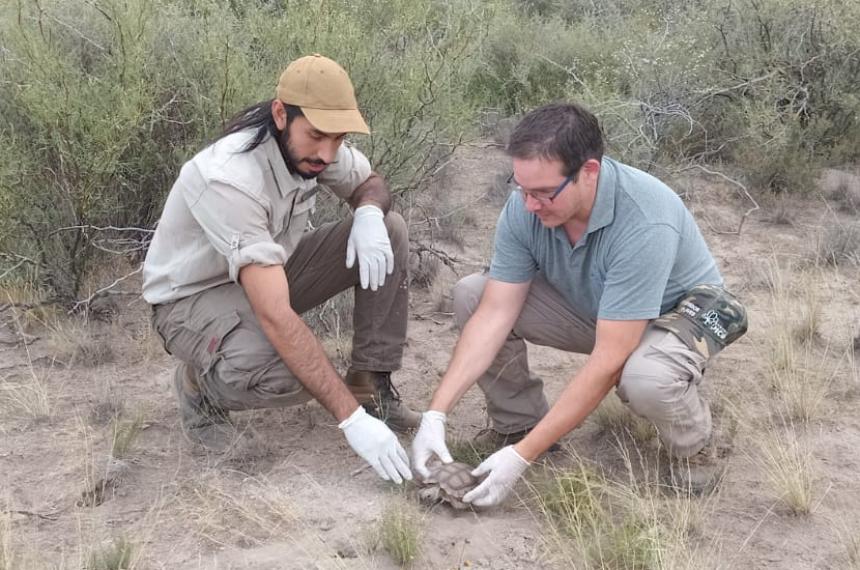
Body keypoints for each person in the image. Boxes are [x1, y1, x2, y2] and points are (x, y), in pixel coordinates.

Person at [411, 102, 748, 506]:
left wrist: (523, 459)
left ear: (589, 171)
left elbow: (609, 359)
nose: (529, 205)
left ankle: (695, 445)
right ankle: (520, 424)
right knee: (472, 293)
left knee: (646, 378)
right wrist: (436, 415)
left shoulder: (644, 219)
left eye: (542, 193)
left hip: (680, 314)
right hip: (604, 308)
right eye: (521, 189)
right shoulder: (526, 207)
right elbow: (494, 313)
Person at [142, 54, 418, 484]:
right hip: (190, 300)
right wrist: (349, 421)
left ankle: (371, 389)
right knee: (296, 375)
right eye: (317, 136)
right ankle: (199, 388)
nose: (327, 153)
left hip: (268, 272)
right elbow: (275, 314)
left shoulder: (315, 147)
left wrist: (366, 212)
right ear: (280, 114)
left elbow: (371, 183)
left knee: (390, 228)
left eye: (339, 138)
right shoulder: (230, 177)